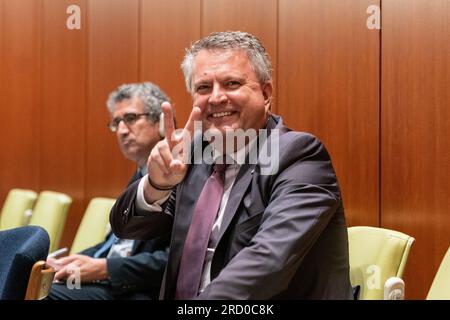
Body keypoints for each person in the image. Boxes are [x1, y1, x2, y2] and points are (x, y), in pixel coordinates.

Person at [110, 31, 353, 299]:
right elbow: (127, 228)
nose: (215, 98)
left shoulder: (298, 155)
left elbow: (267, 263)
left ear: (266, 93)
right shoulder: (195, 153)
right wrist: (157, 185)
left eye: (232, 83)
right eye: (203, 88)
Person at [47, 82, 171, 300]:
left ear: (160, 121)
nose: (122, 130)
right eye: (116, 122)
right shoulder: (139, 174)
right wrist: (70, 262)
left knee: (38, 295)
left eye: (131, 119)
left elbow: (177, 259)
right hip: (108, 281)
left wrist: (105, 268)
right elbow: (112, 244)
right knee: (27, 282)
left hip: (136, 290)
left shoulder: (181, 175)